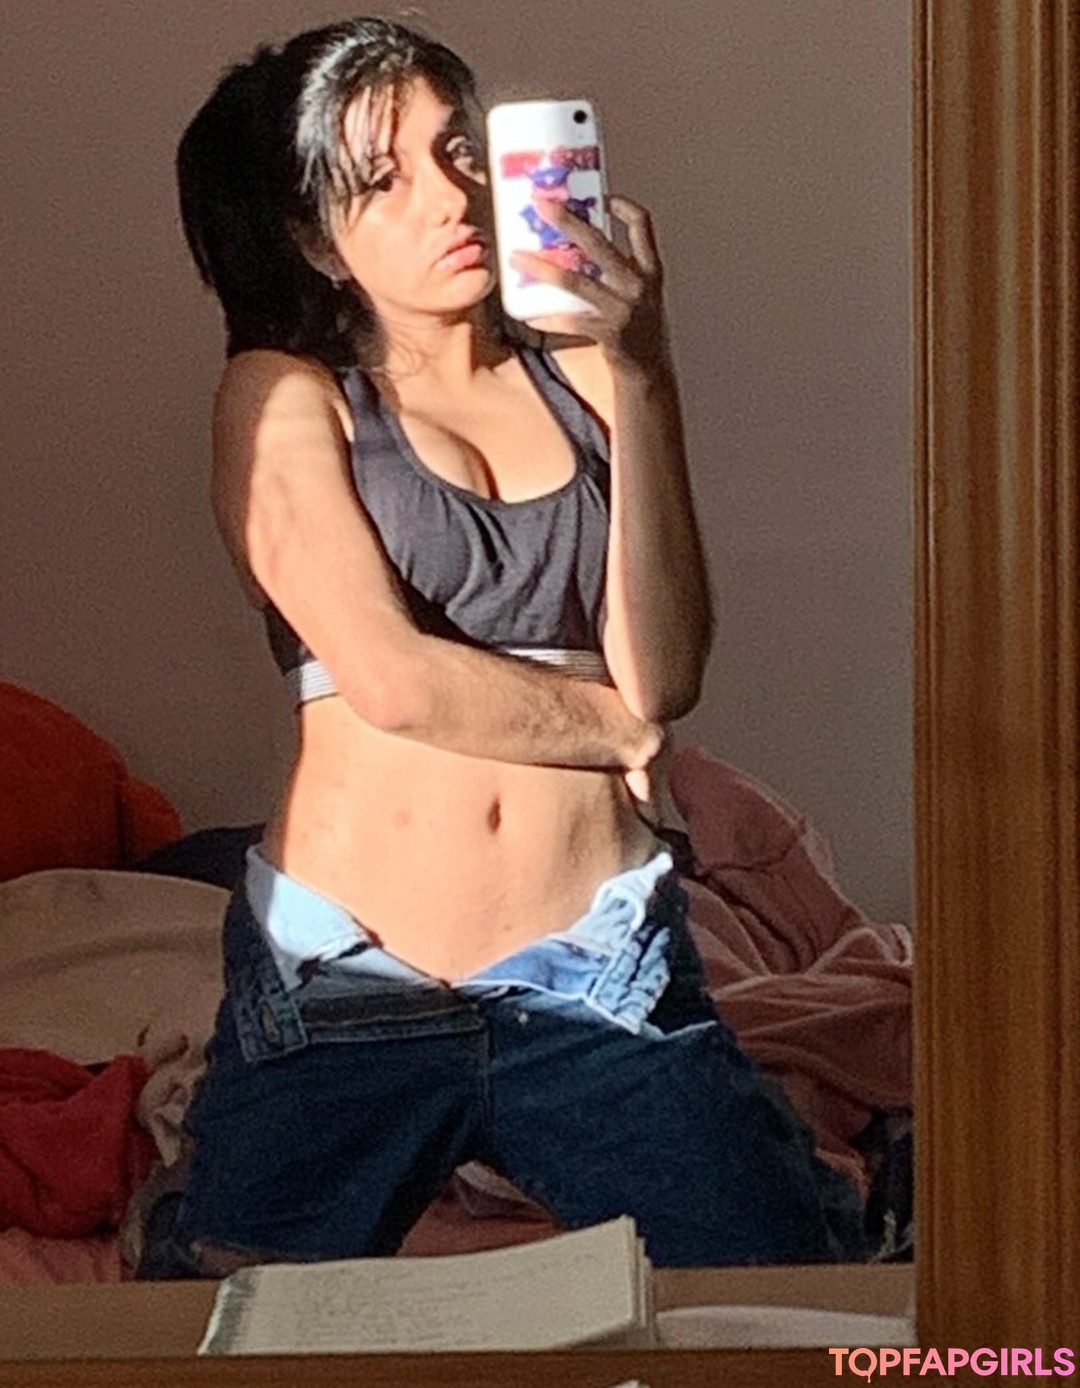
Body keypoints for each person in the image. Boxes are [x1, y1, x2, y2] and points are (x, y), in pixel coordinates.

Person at [155, 16, 863, 1275]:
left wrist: (641, 369)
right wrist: (618, 732)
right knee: (220, 1315)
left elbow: (666, 669)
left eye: (457, 150)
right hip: (351, 973)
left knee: (775, 1291)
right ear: (315, 237)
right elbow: (392, 678)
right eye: (384, 180)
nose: (450, 195)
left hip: (597, 965)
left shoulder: (581, 383)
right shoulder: (285, 393)